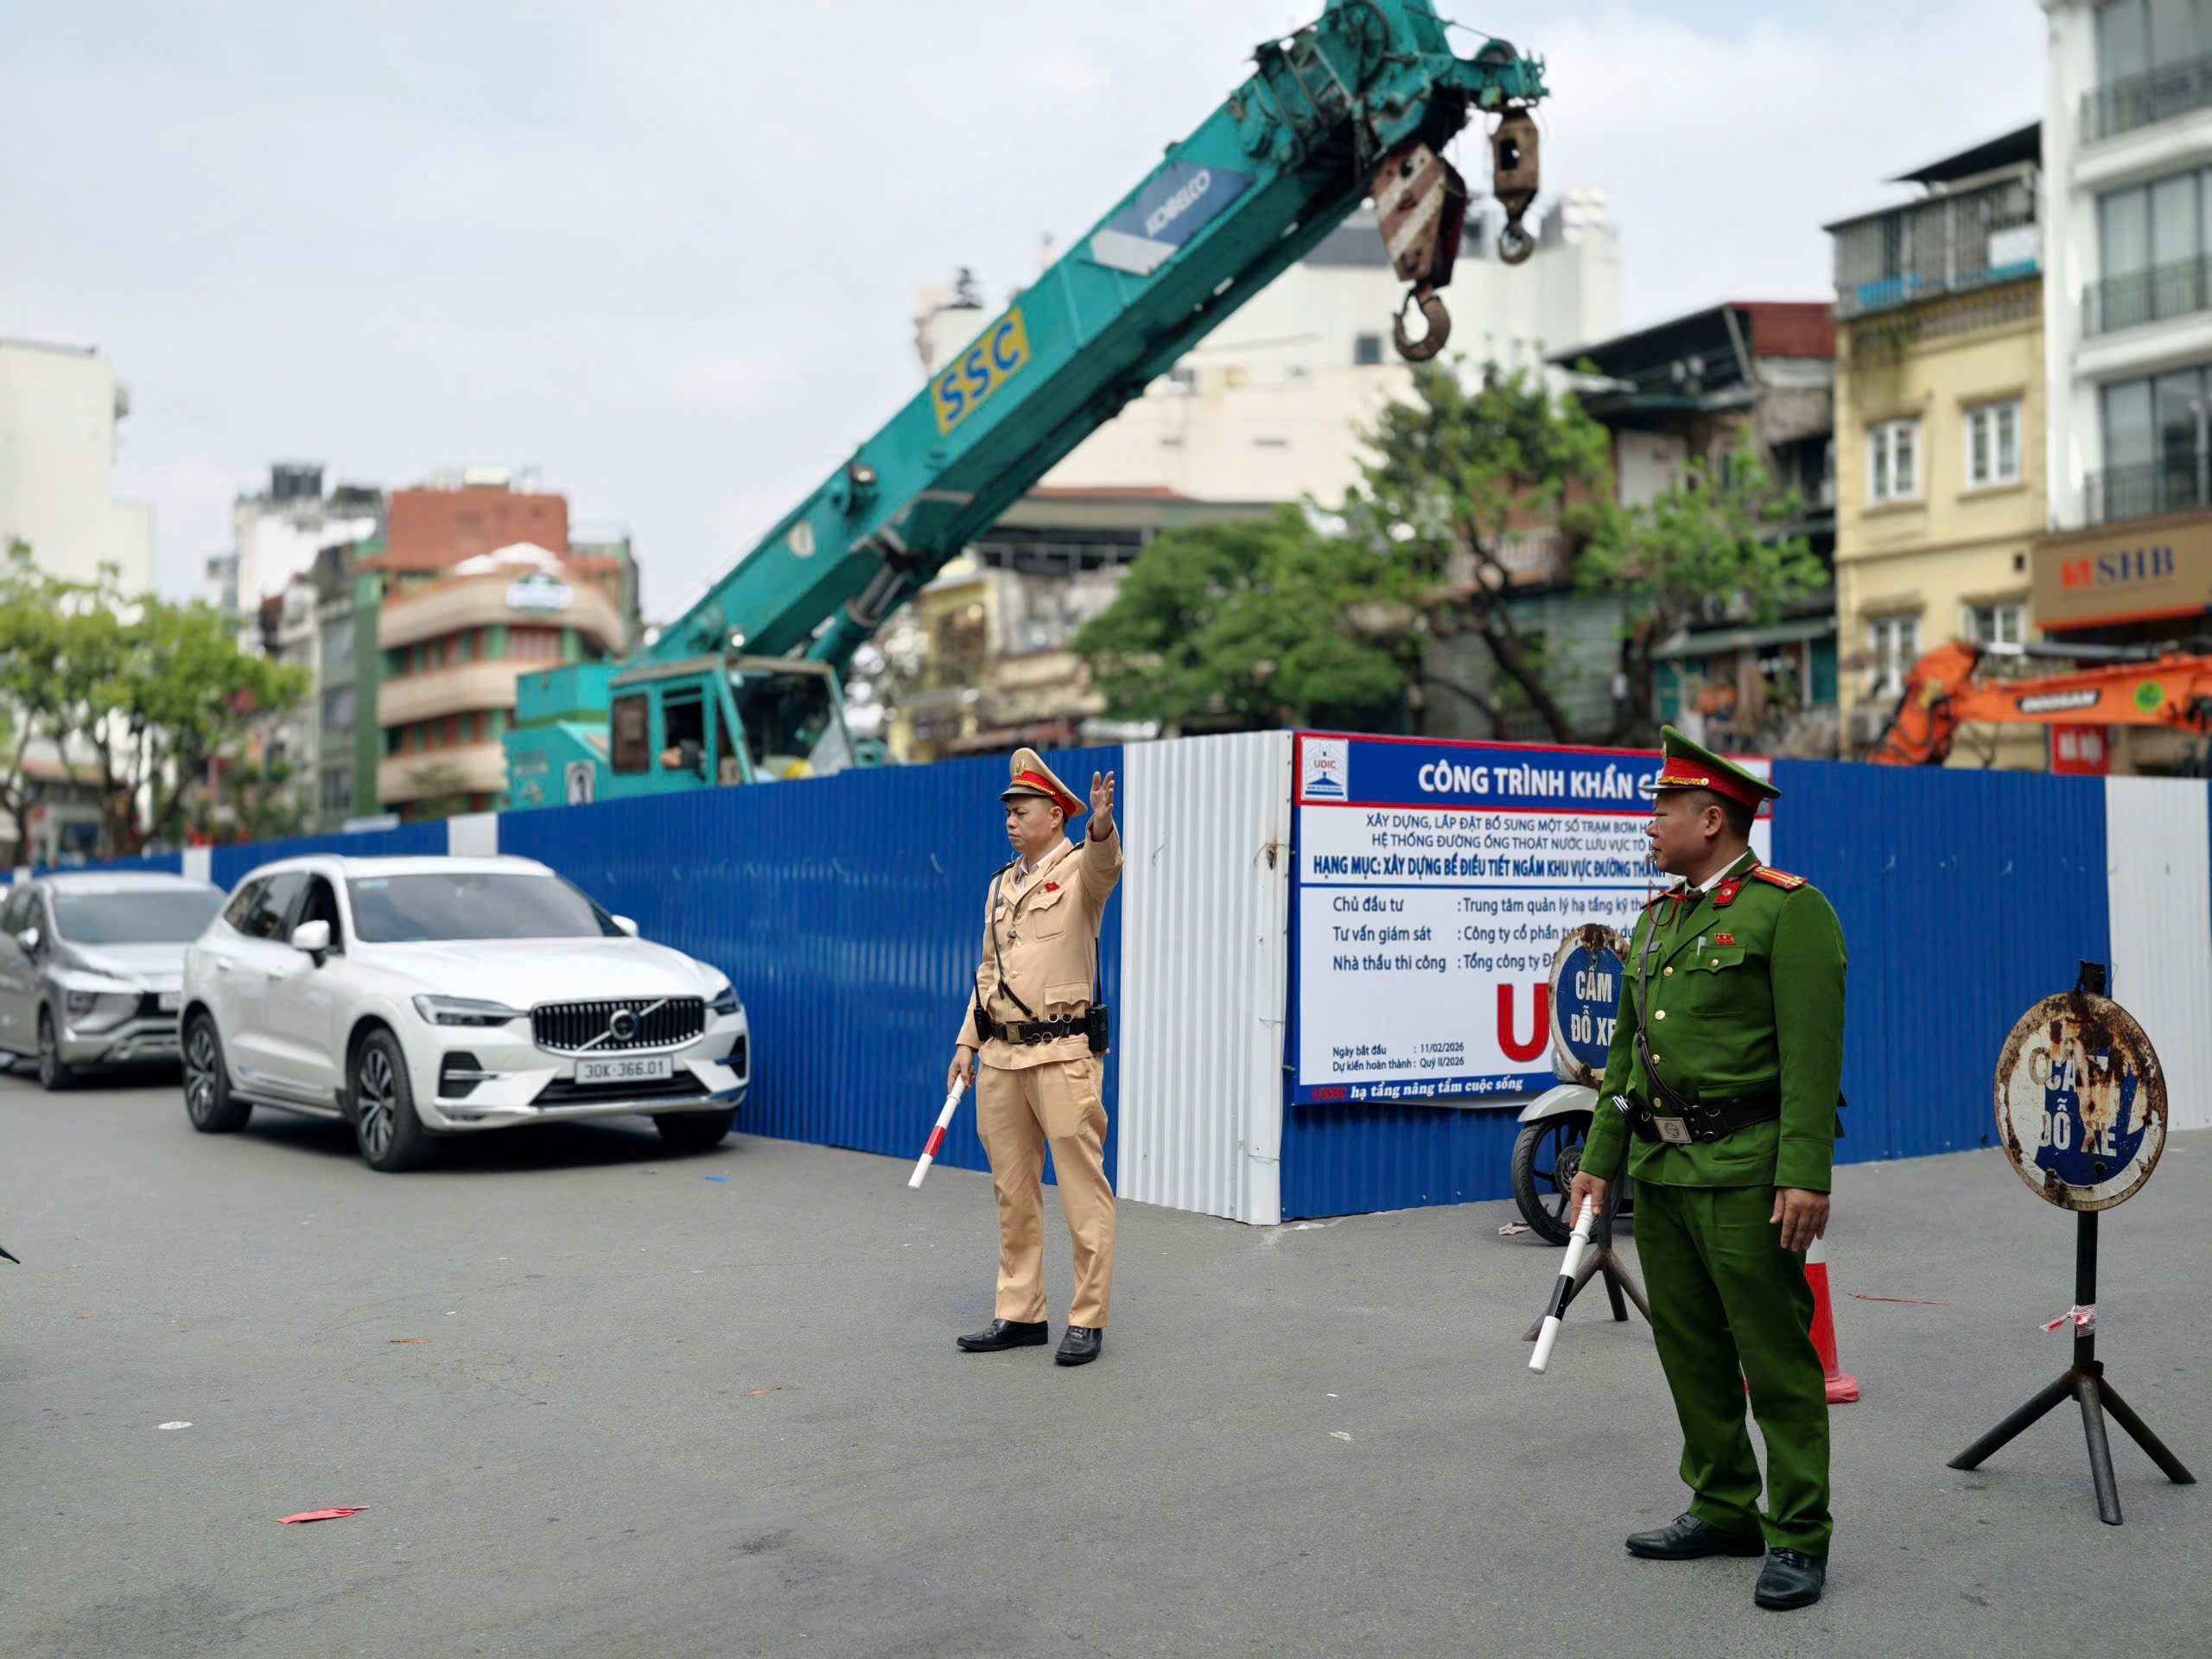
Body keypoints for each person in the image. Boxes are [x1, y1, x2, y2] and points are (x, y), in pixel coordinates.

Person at [1564, 726, 1847, 1611]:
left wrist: (1805, 1176)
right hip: (1664, 1171)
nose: (1648, 823)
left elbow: (1811, 1059)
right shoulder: (1659, 920)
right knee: (1688, 1350)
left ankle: (1798, 1531)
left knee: (1773, 1356)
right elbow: (1622, 1060)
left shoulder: (1788, 912)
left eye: (1662, 808)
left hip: (1747, 1171)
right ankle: (1724, 1505)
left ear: (1712, 818)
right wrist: (1599, 1166)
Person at [945, 748, 1121, 1366]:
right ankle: (1021, 1313)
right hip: (1000, 1059)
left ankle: (1088, 1316)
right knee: (1013, 1192)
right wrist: (968, 1042)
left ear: (1056, 814)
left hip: (1063, 1054)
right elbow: (989, 971)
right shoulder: (1001, 884)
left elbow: (1106, 867)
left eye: (1022, 811)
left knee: (1081, 1191)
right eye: (1008, 813)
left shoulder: (1080, 873)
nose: (1011, 821)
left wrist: (1101, 824)